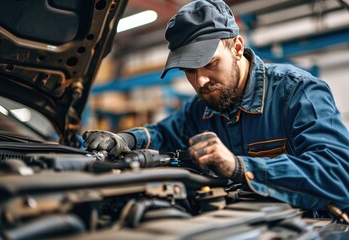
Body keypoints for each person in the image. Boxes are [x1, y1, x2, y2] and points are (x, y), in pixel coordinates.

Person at [83, 0, 349, 215]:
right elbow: (163, 133)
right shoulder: (199, 109)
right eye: (189, 70)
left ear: (236, 47)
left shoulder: (296, 92)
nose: (200, 81)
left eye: (209, 63)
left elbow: (338, 173)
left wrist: (238, 167)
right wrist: (125, 139)